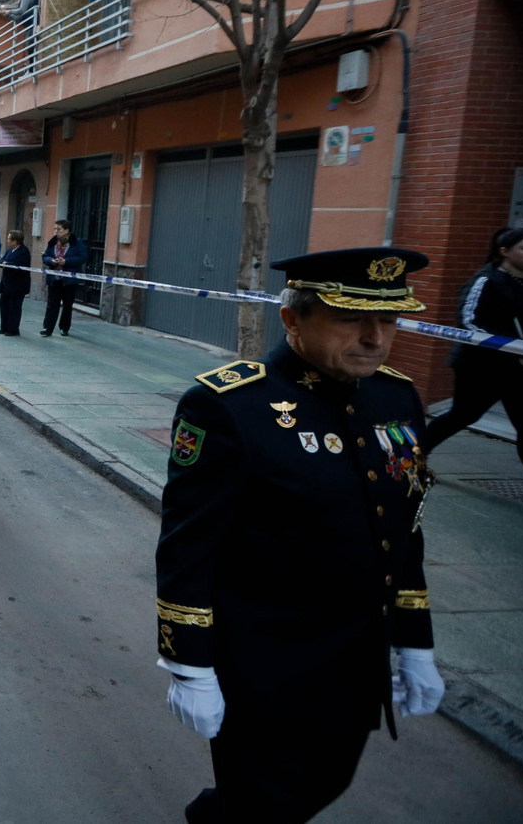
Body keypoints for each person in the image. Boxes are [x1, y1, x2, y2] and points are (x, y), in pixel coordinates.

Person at [156, 247, 444, 824]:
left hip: (357, 658)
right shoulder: (230, 406)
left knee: (326, 782)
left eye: (387, 320)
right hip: (264, 664)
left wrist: (415, 641)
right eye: (350, 319)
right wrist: (190, 664)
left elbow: (402, 530)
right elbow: (189, 547)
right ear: (292, 319)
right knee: (267, 804)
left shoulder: (396, 398)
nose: (374, 338)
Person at [424, 227, 523, 509]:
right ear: (505, 251)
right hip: (482, 367)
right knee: (463, 415)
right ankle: (415, 454)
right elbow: (469, 322)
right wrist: (512, 348)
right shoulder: (487, 281)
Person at [40, 218, 89, 337]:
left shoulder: (77, 243)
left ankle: (64, 327)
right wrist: (51, 260)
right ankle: (48, 328)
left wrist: (67, 261)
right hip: (54, 278)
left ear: (67, 230)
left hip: (69, 280)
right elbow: (45, 256)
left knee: (67, 305)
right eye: (55, 229)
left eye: (59, 229)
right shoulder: (53, 242)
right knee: (52, 304)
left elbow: (83, 257)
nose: (56, 231)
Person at [0, 230, 32, 336]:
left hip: (17, 285)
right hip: (6, 284)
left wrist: (8, 264)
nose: (7, 241)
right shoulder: (9, 250)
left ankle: (13, 329)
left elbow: (20, 265)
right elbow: (1, 260)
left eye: (9, 239)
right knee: (4, 306)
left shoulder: (24, 252)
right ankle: (4, 327)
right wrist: (2, 263)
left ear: (15, 241)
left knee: (14, 307)